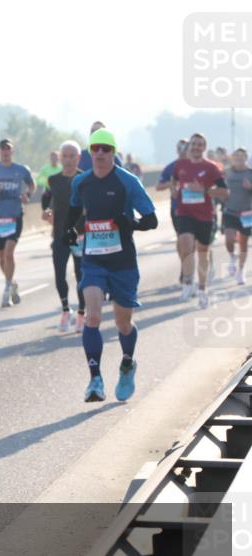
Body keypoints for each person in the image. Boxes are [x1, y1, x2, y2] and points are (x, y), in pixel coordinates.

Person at [68, 129, 158, 403]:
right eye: (95, 148)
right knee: (92, 317)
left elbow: (151, 220)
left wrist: (130, 223)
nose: (99, 153)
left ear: (113, 153)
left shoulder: (127, 181)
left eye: (105, 149)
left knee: (123, 322)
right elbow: (74, 212)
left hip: (123, 263)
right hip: (93, 260)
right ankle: (95, 380)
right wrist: (68, 232)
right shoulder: (81, 182)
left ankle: (127, 363)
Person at [172, 132, 229, 308]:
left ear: (204, 148)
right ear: (189, 147)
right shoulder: (180, 165)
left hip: (204, 215)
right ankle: (188, 283)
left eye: (200, 144)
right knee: (186, 242)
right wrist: (173, 190)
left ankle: (203, 289)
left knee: (203, 251)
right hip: (184, 212)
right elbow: (174, 180)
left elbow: (225, 193)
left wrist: (204, 190)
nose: (196, 147)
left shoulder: (211, 168)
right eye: (193, 144)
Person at [0, 138, 35, 307]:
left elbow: (31, 185)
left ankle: (7, 289)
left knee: (9, 253)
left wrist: (28, 195)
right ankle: (12, 282)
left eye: (8, 149)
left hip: (15, 216)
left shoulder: (21, 169)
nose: (5, 152)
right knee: (2, 258)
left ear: (12, 151)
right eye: (2, 149)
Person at [41, 141, 86, 333]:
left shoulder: (85, 179)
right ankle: (66, 311)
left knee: (81, 276)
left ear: (78, 158)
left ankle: (82, 314)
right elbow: (48, 201)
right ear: (60, 158)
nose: (68, 160)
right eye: (65, 156)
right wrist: (47, 212)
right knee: (59, 275)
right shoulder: (53, 180)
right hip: (59, 235)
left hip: (80, 236)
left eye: (72, 156)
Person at [156, 138, 190, 284]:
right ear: (177, 150)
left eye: (185, 148)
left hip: (197, 209)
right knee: (182, 240)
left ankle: (195, 266)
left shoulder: (198, 165)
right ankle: (185, 268)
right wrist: (171, 184)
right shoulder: (171, 167)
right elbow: (158, 186)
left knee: (196, 242)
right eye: (180, 148)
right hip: (177, 208)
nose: (182, 151)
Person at [222, 147, 252, 284]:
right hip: (230, 211)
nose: (239, 159)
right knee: (229, 239)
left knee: (243, 244)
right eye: (236, 156)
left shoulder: (250, 173)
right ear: (232, 158)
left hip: (246, 214)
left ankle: (240, 271)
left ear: (246, 158)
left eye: (241, 156)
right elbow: (220, 188)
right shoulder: (227, 172)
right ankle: (232, 257)